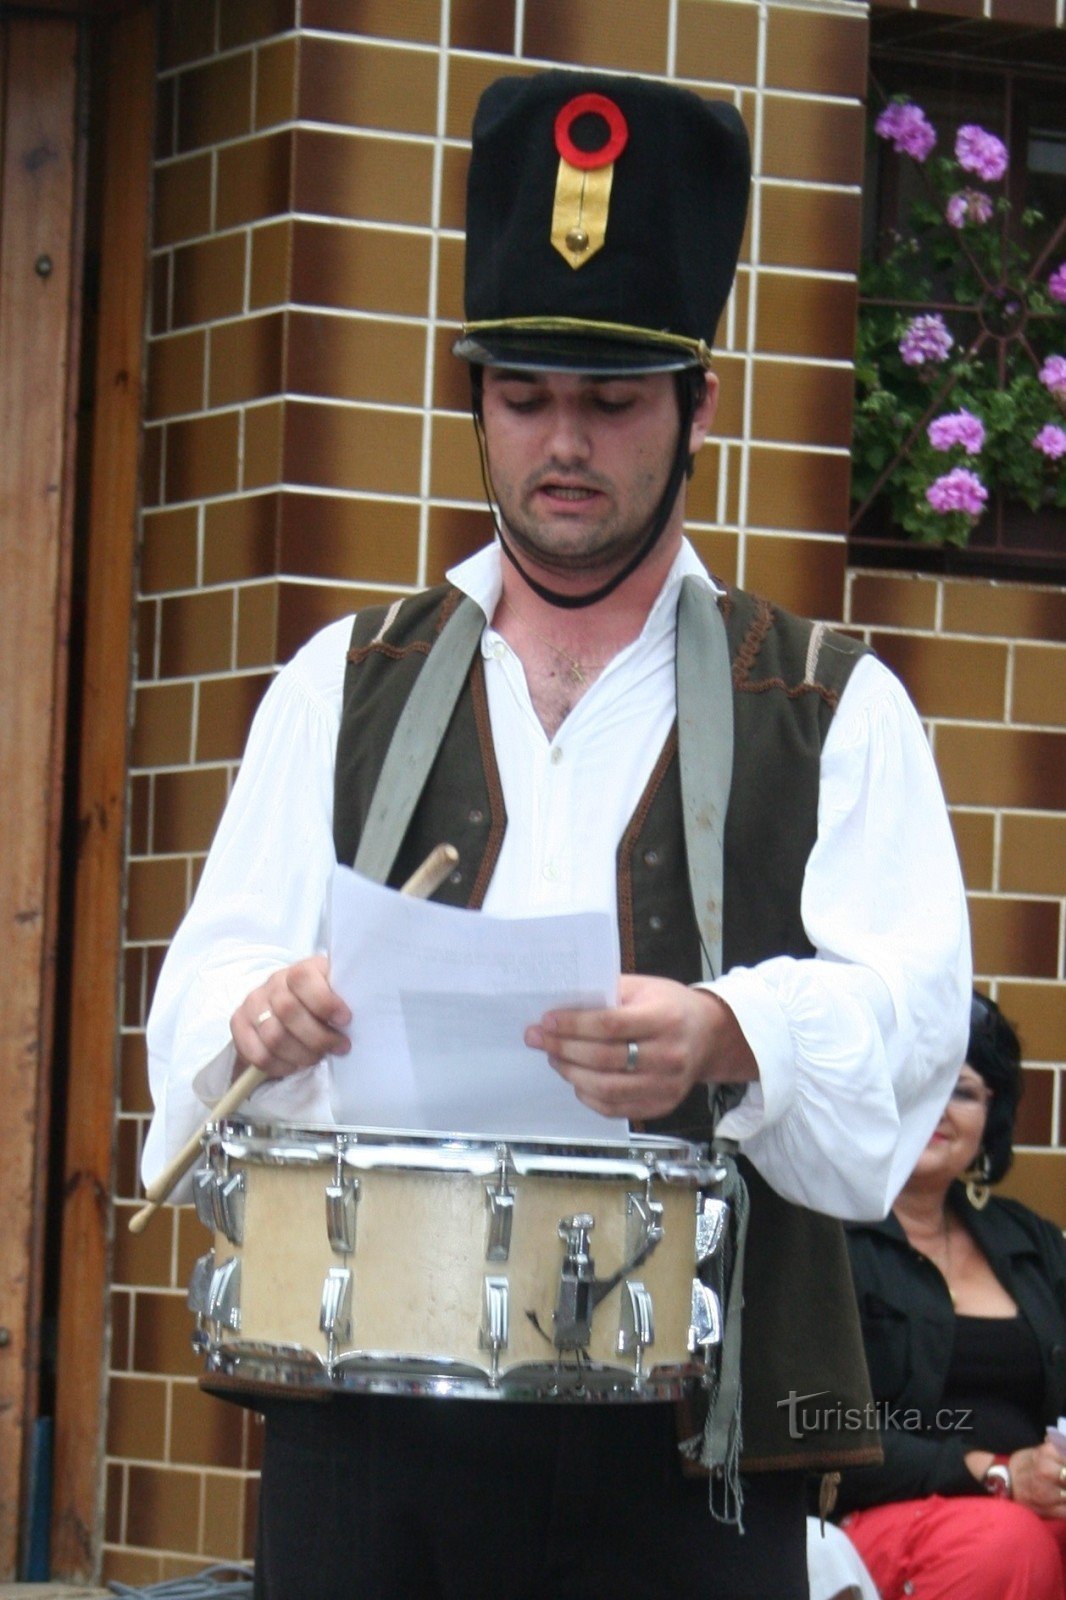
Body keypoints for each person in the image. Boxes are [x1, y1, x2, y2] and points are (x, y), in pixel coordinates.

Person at [142, 69, 972, 1600]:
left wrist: (734, 1027)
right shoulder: (346, 679)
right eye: (524, 399)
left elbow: (913, 1022)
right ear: (472, 401)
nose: (563, 444)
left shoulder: (829, 704)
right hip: (366, 1424)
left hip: (675, 1446)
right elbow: (200, 991)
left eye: (611, 401)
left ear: (696, 406)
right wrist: (255, 1008)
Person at [837, 993, 1066, 1600]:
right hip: (881, 1512)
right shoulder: (825, 1238)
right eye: (917, 1084)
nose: (937, 1108)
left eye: (961, 1090)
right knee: (1006, 1544)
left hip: (1036, 1506)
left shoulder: (1031, 1241)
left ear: (991, 1116)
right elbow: (810, 1429)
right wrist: (995, 1474)